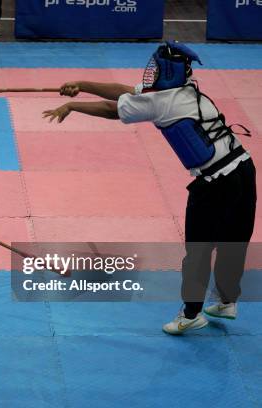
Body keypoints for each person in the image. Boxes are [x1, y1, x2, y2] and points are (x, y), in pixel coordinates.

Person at [42, 41, 256, 335]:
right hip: (244, 168)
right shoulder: (187, 89)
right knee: (233, 240)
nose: (150, 70)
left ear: (166, 70)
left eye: (156, 66)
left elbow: (112, 109)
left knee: (198, 250)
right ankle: (227, 300)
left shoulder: (161, 102)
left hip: (215, 182)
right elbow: (128, 92)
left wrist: (72, 105)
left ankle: (192, 314)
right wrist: (81, 84)